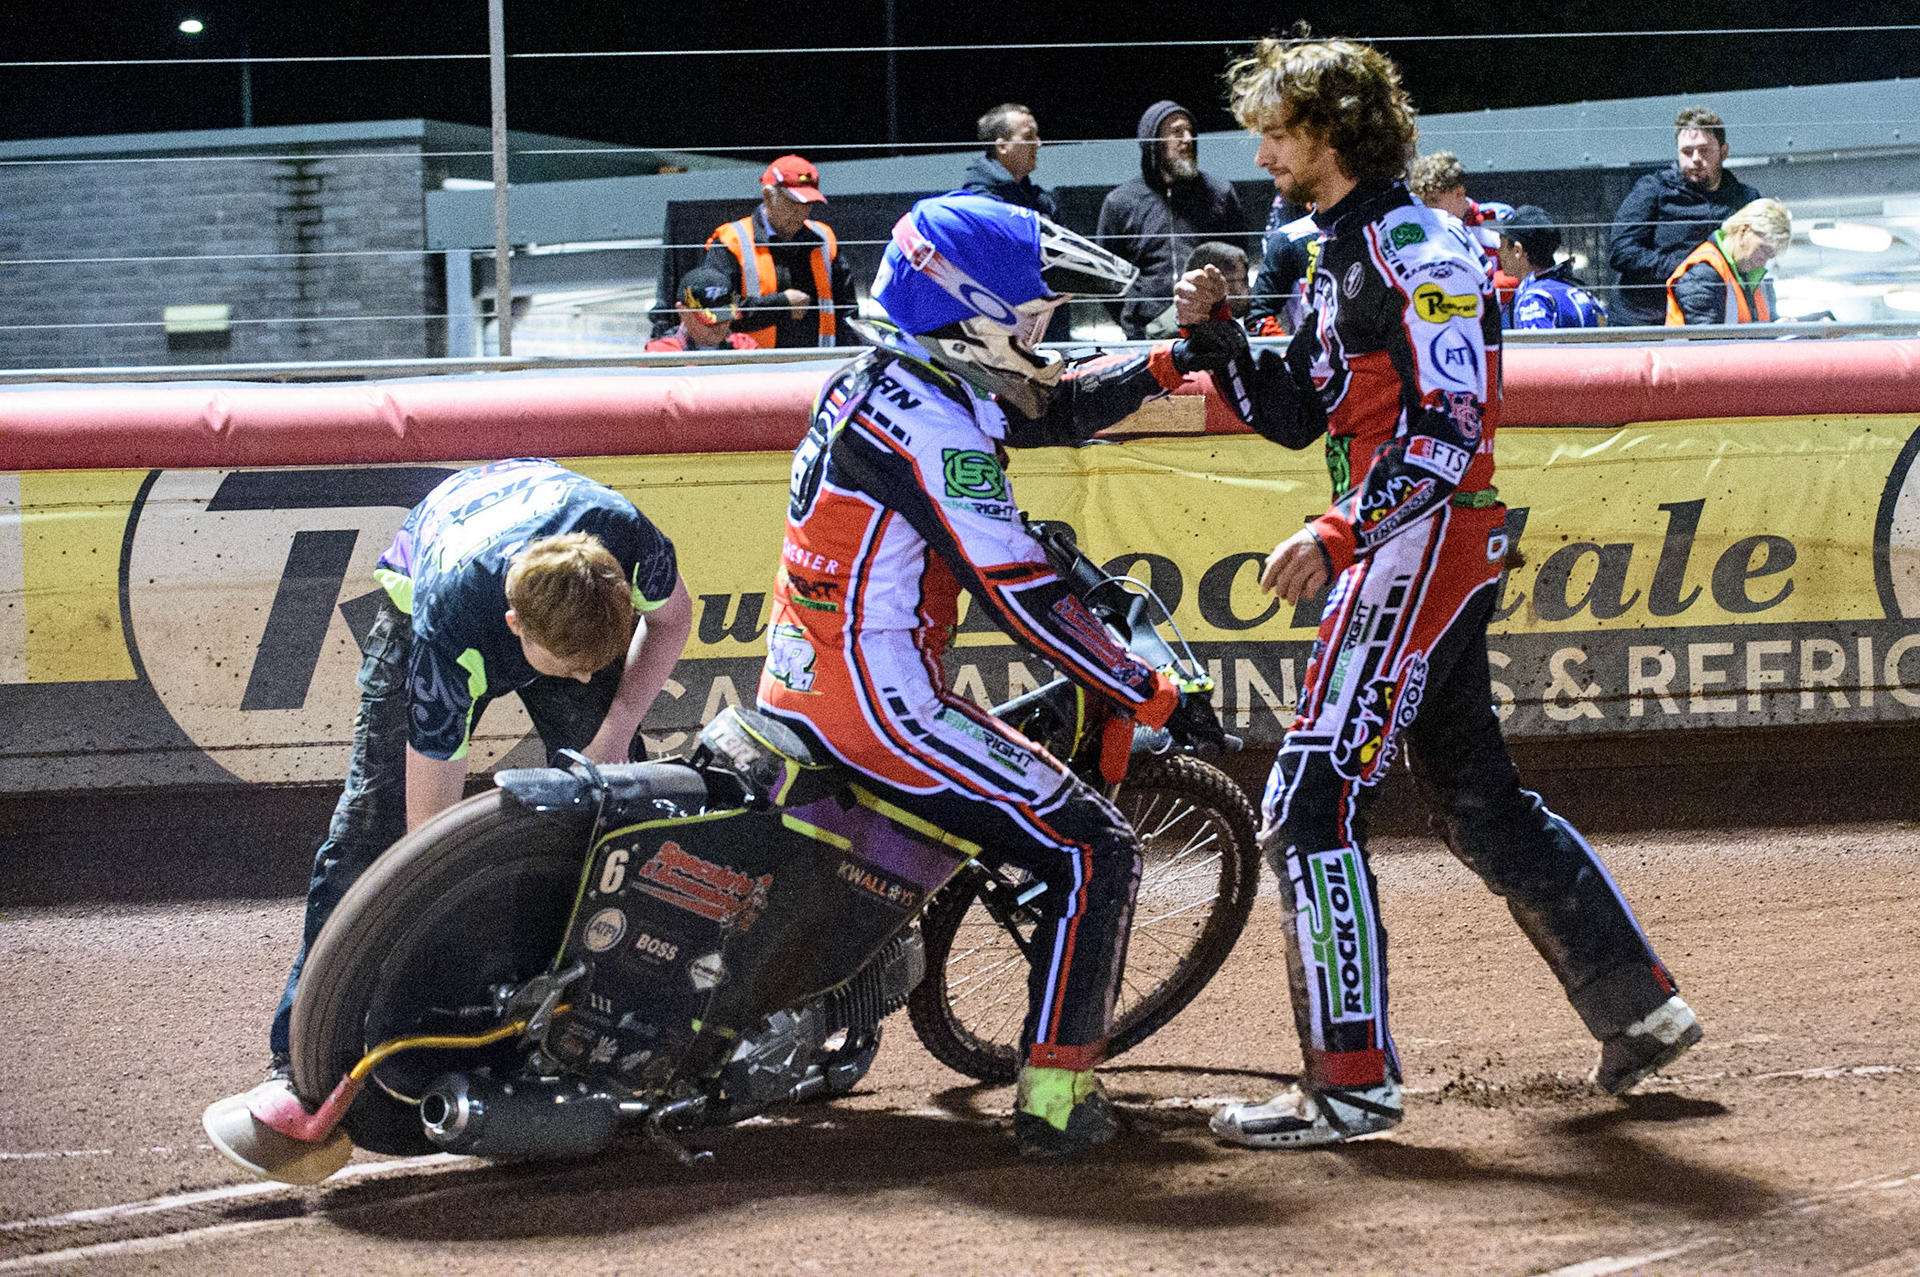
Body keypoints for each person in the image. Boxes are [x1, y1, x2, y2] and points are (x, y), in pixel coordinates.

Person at [1183, 36, 1701, 1150]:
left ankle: (1350, 1084)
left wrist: (1336, 529)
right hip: (1413, 545)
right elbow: (1296, 411)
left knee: (1305, 804)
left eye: (1276, 127)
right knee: (1474, 798)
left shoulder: (1420, 243)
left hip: (1419, 544)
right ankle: (1640, 1007)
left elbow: (1452, 430)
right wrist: (1215, 336)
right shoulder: (1337, 252)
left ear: (1330, 131)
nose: (1261, 147)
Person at [757, 192, 1235, 1159]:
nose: (1048, 321)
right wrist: (1147, 689)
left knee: (1011, 762)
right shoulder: (939, 429)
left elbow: (1049, 402)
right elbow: (1022, 596)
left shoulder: (884, 378)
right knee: (1095, 845)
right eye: (1032, 309)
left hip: (802, 679)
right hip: (878, 703)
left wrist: (1173, 358)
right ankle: (1056, 1099)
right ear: (969, 309)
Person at [248, 459, 694, 1087]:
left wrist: (616, 729)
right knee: (366, 837)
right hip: (431, 591)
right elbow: (424, 838)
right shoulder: (452, 626)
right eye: (574, 666)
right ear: (517, 631)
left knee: (622, 809)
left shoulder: (625, 538)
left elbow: (673, 618)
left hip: (538, 556)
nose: (591, 679)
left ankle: (628, 1026)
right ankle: (300, 1060)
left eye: (602, 658)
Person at [1096, 100, 1247, 339]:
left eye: (1190, 132)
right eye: (1177, 132)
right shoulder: (1120, 202)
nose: (1187, 139)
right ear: (1152, 141)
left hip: (1209, 326)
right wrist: (1134, 317)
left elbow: (1238, 258)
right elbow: (1106, 277)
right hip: (1146, 335)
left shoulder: (1220, 193)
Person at [1607, 108, 1765, 327]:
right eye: (1687, 151)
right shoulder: (1653, 189)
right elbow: (1621, 252)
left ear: (1724, 151)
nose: (1695, 159)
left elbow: (1757, 257)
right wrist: (1688, 268)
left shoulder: (1745, 198)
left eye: (1704, 150)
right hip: (1645, 320)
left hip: (1711, 316)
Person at [702, 154, 857, 348]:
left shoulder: (824, 238)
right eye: (792, 203)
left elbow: (848, 311)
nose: (800, 212)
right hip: (752, 370)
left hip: (819, 368)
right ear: (767, 196)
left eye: (807, 204)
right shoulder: (731, 241)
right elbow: (715, 311)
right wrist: (781, 304)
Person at [1408, 151, 1517, 301]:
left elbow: (1526, 273)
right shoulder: (1422, 229)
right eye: (1423, 203)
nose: (1428, 210)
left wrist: (1478, 284)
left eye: (1434, 201)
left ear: (1459, 193)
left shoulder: (1497, 218)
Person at [1665, 198, 1790, 326]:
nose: (1763, 261)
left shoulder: (1755, 277)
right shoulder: (1703, 274)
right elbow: (1706, 339)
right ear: (1744, 230)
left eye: (1770, 256)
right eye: (1762, 249)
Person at [1496, 206, 1607, 329]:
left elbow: (1537, 348)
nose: (1498, 252)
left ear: (1518, 250)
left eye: (1503, 245)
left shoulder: (1534, 300)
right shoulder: (1578, 288)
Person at [963, 103, 1057, 217]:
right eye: (1028, 137)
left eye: (1036, 136)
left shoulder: (1041, 202)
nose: (1038, 144)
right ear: (1002, 146)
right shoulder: (979, 204)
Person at [1145, 241, 1249, 338]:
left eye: (1243, 280)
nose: (1241, 291)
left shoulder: (1253, 312)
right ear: (1201, 281)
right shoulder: (1169, 331)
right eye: (1230, 283)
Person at [645, 266, 760, 351]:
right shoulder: (661, 353)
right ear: (683, 312)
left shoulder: (744, 348)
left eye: (725, 318)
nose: (719, 327)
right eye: (710, 322)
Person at [1247, 200, 1317, 336]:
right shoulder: (1289, 238)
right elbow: (1258, 315)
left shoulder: (1367, 227)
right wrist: (1289, 353)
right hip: (1311, 352)